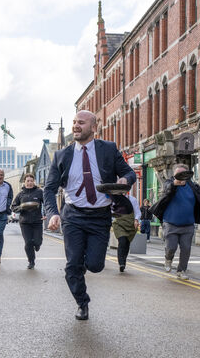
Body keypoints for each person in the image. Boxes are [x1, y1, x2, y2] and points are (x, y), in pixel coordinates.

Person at [44, 110, 135, 320]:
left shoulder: (108, 149)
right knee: (73, 265)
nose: (76, 126)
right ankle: (82, 302)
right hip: (73, 216)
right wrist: (52, 214)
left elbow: (128, 172)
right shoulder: (62, 155)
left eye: (81, 123)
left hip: (100, 216)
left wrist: (125, 181)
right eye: (74, 122)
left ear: (94, 127)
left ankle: (82, 265)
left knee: (95, 265)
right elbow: (49, 189)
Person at [150, 164, 200, 280]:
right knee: (171, 247)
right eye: (177, 175)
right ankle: (168, 259)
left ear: (187, 176)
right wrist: (174, 184)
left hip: (187, 225)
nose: (180, 178)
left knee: (186, 249)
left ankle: (181, 270)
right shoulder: (169, 183)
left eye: (183, 175)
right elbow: (167, 189)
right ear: (174, 176)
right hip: (171, 223)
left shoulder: (192, 186)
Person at [11, 173, 45, 269]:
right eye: (27, 181)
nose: (29, 183)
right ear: (24, 182)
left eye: (31, 181)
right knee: (28, 243)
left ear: (34, 182)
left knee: (37, 242)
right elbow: (13, 207)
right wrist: (21, 208)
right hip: (25, 222)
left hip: (37, 221)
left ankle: (37, 245)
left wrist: (46, 214)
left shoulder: (39, 192)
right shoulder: (20, 194)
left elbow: (46, 203)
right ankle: (31, 261)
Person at [112, 193, 141, 273]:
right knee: (122, 241)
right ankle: (121, 263)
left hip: (130, 224)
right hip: (119, 224)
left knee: (127, 244)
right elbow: (111, 210)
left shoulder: (133, 199)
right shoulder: (115, 199)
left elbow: (137, 212)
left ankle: (123, 262)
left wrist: (136, 220)